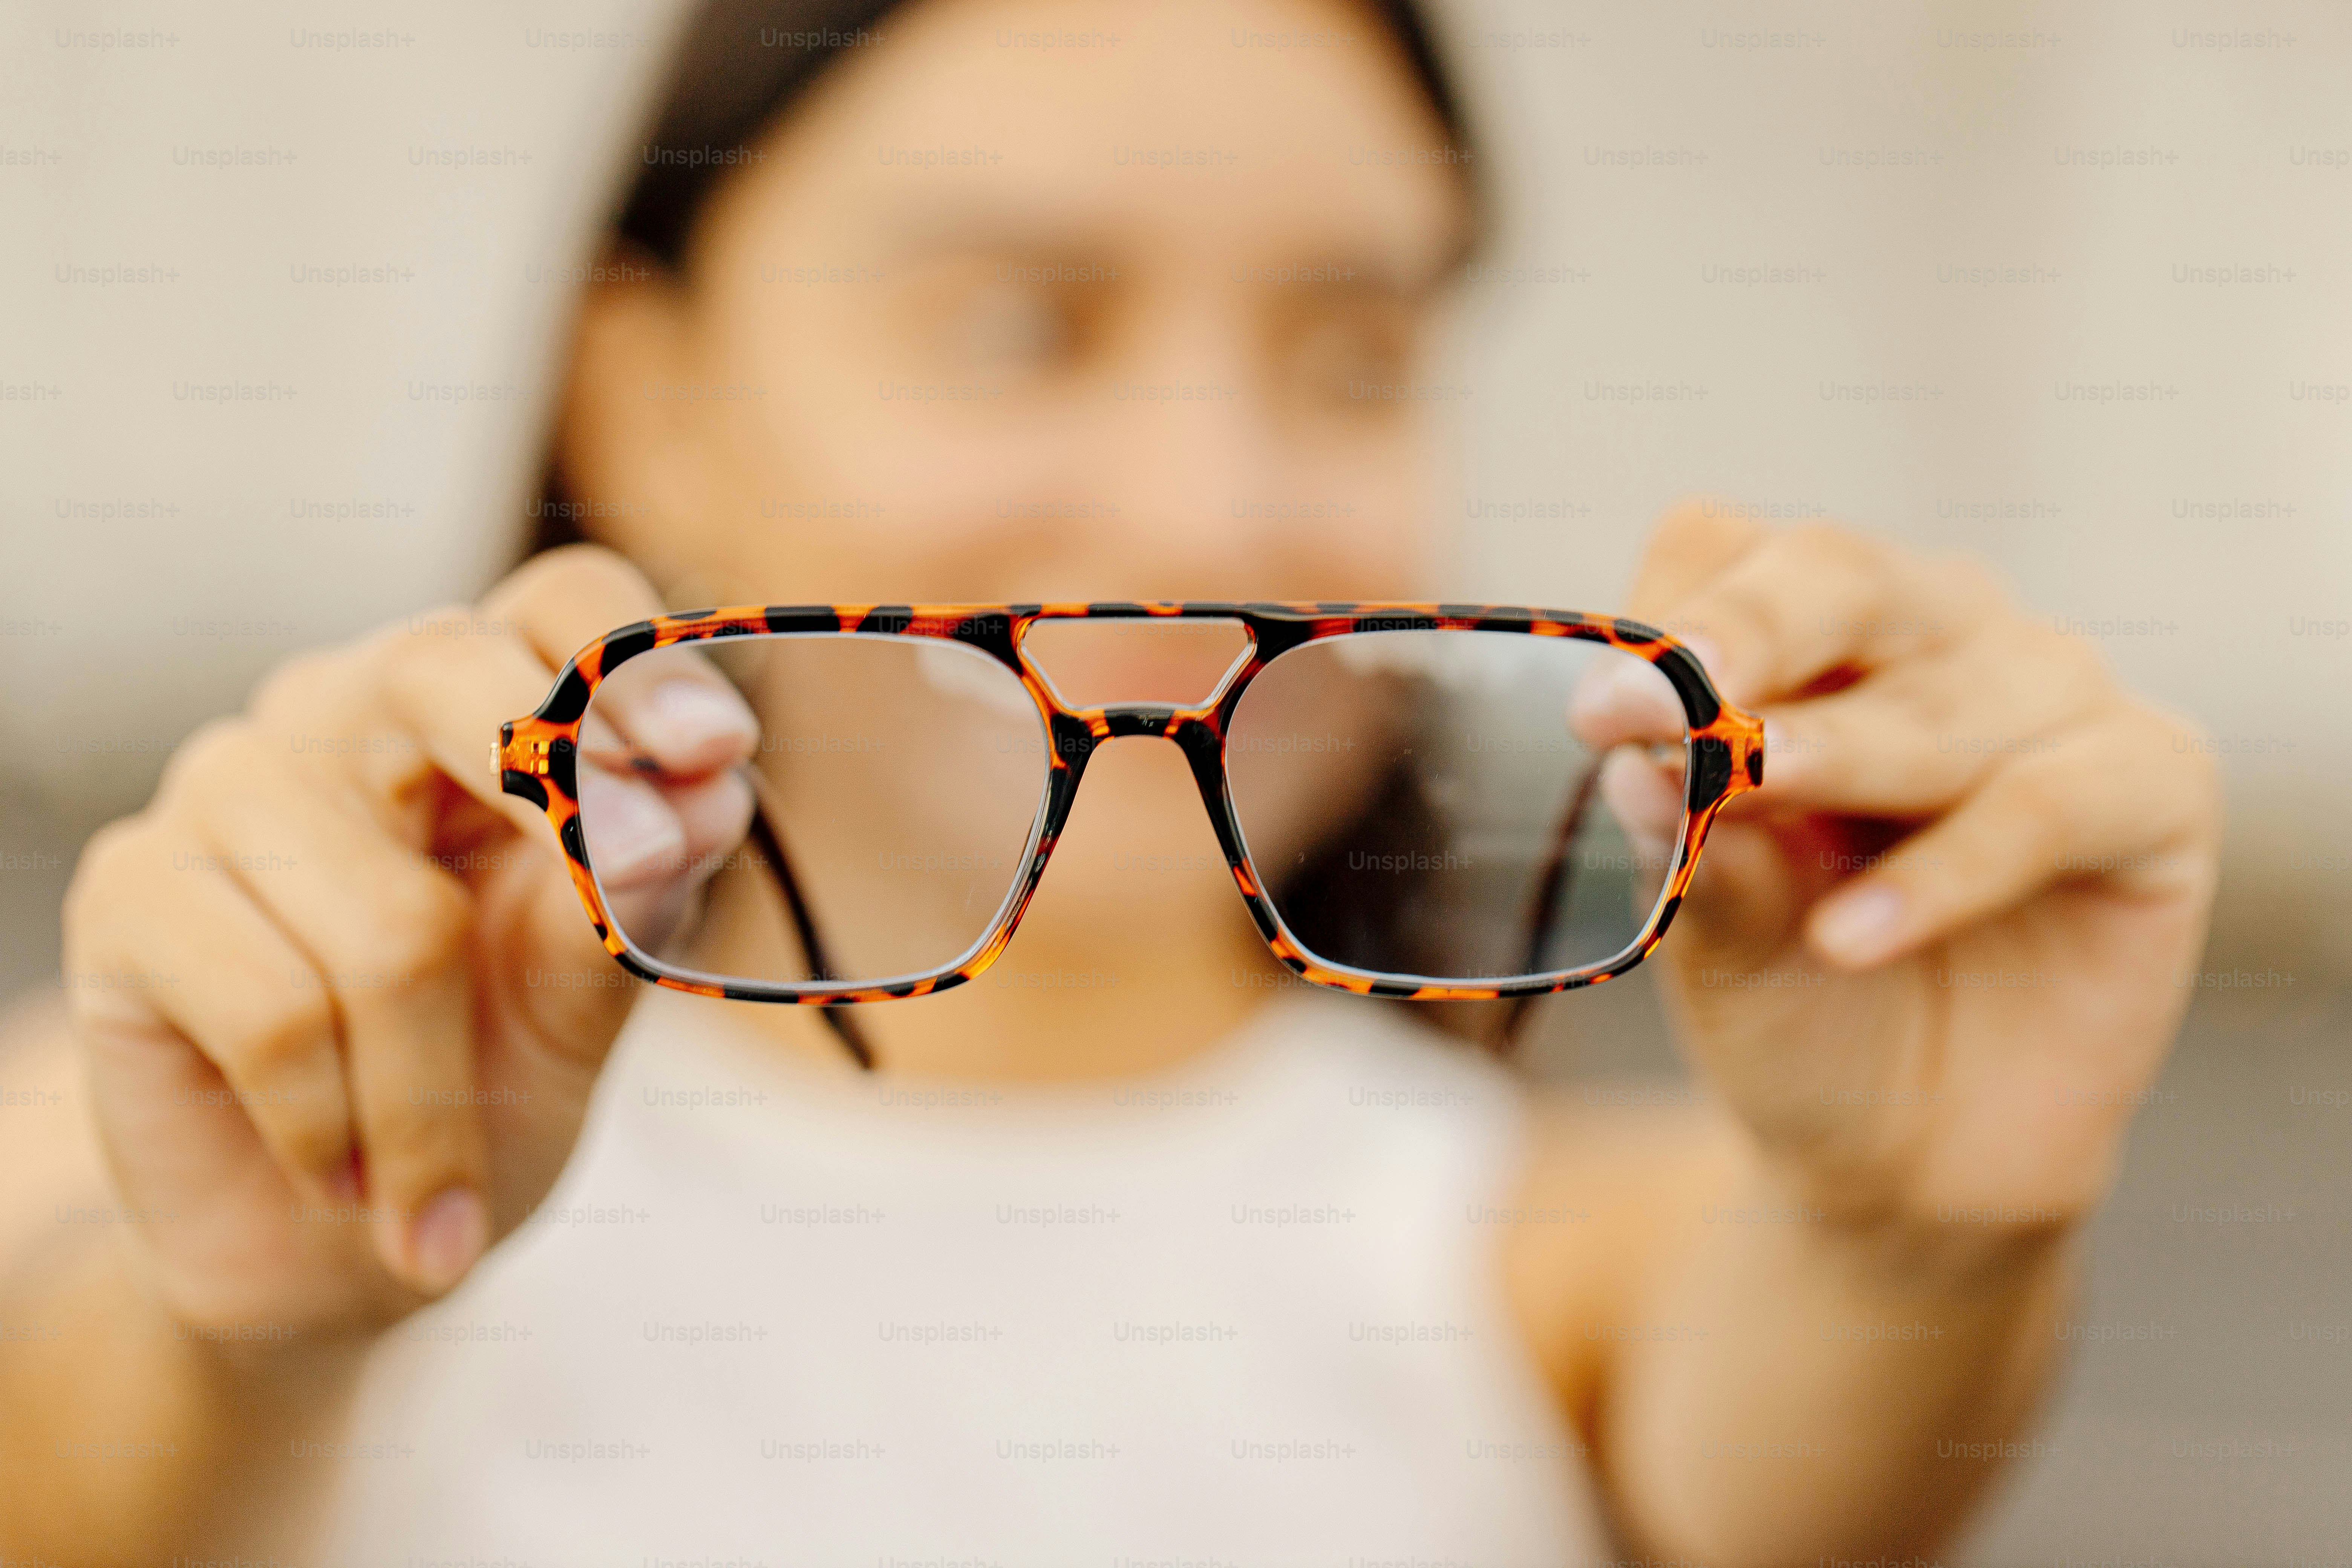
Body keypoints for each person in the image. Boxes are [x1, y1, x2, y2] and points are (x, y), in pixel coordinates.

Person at [0, 0, 2222, 1561]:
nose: (1204, 508)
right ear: (645, 399)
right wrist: (243, 1333)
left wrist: (1925, 1240)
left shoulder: (1561, 1261)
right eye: (1021, 321)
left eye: (1352, 353)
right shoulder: (145, 1123)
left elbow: (1813, 1439)